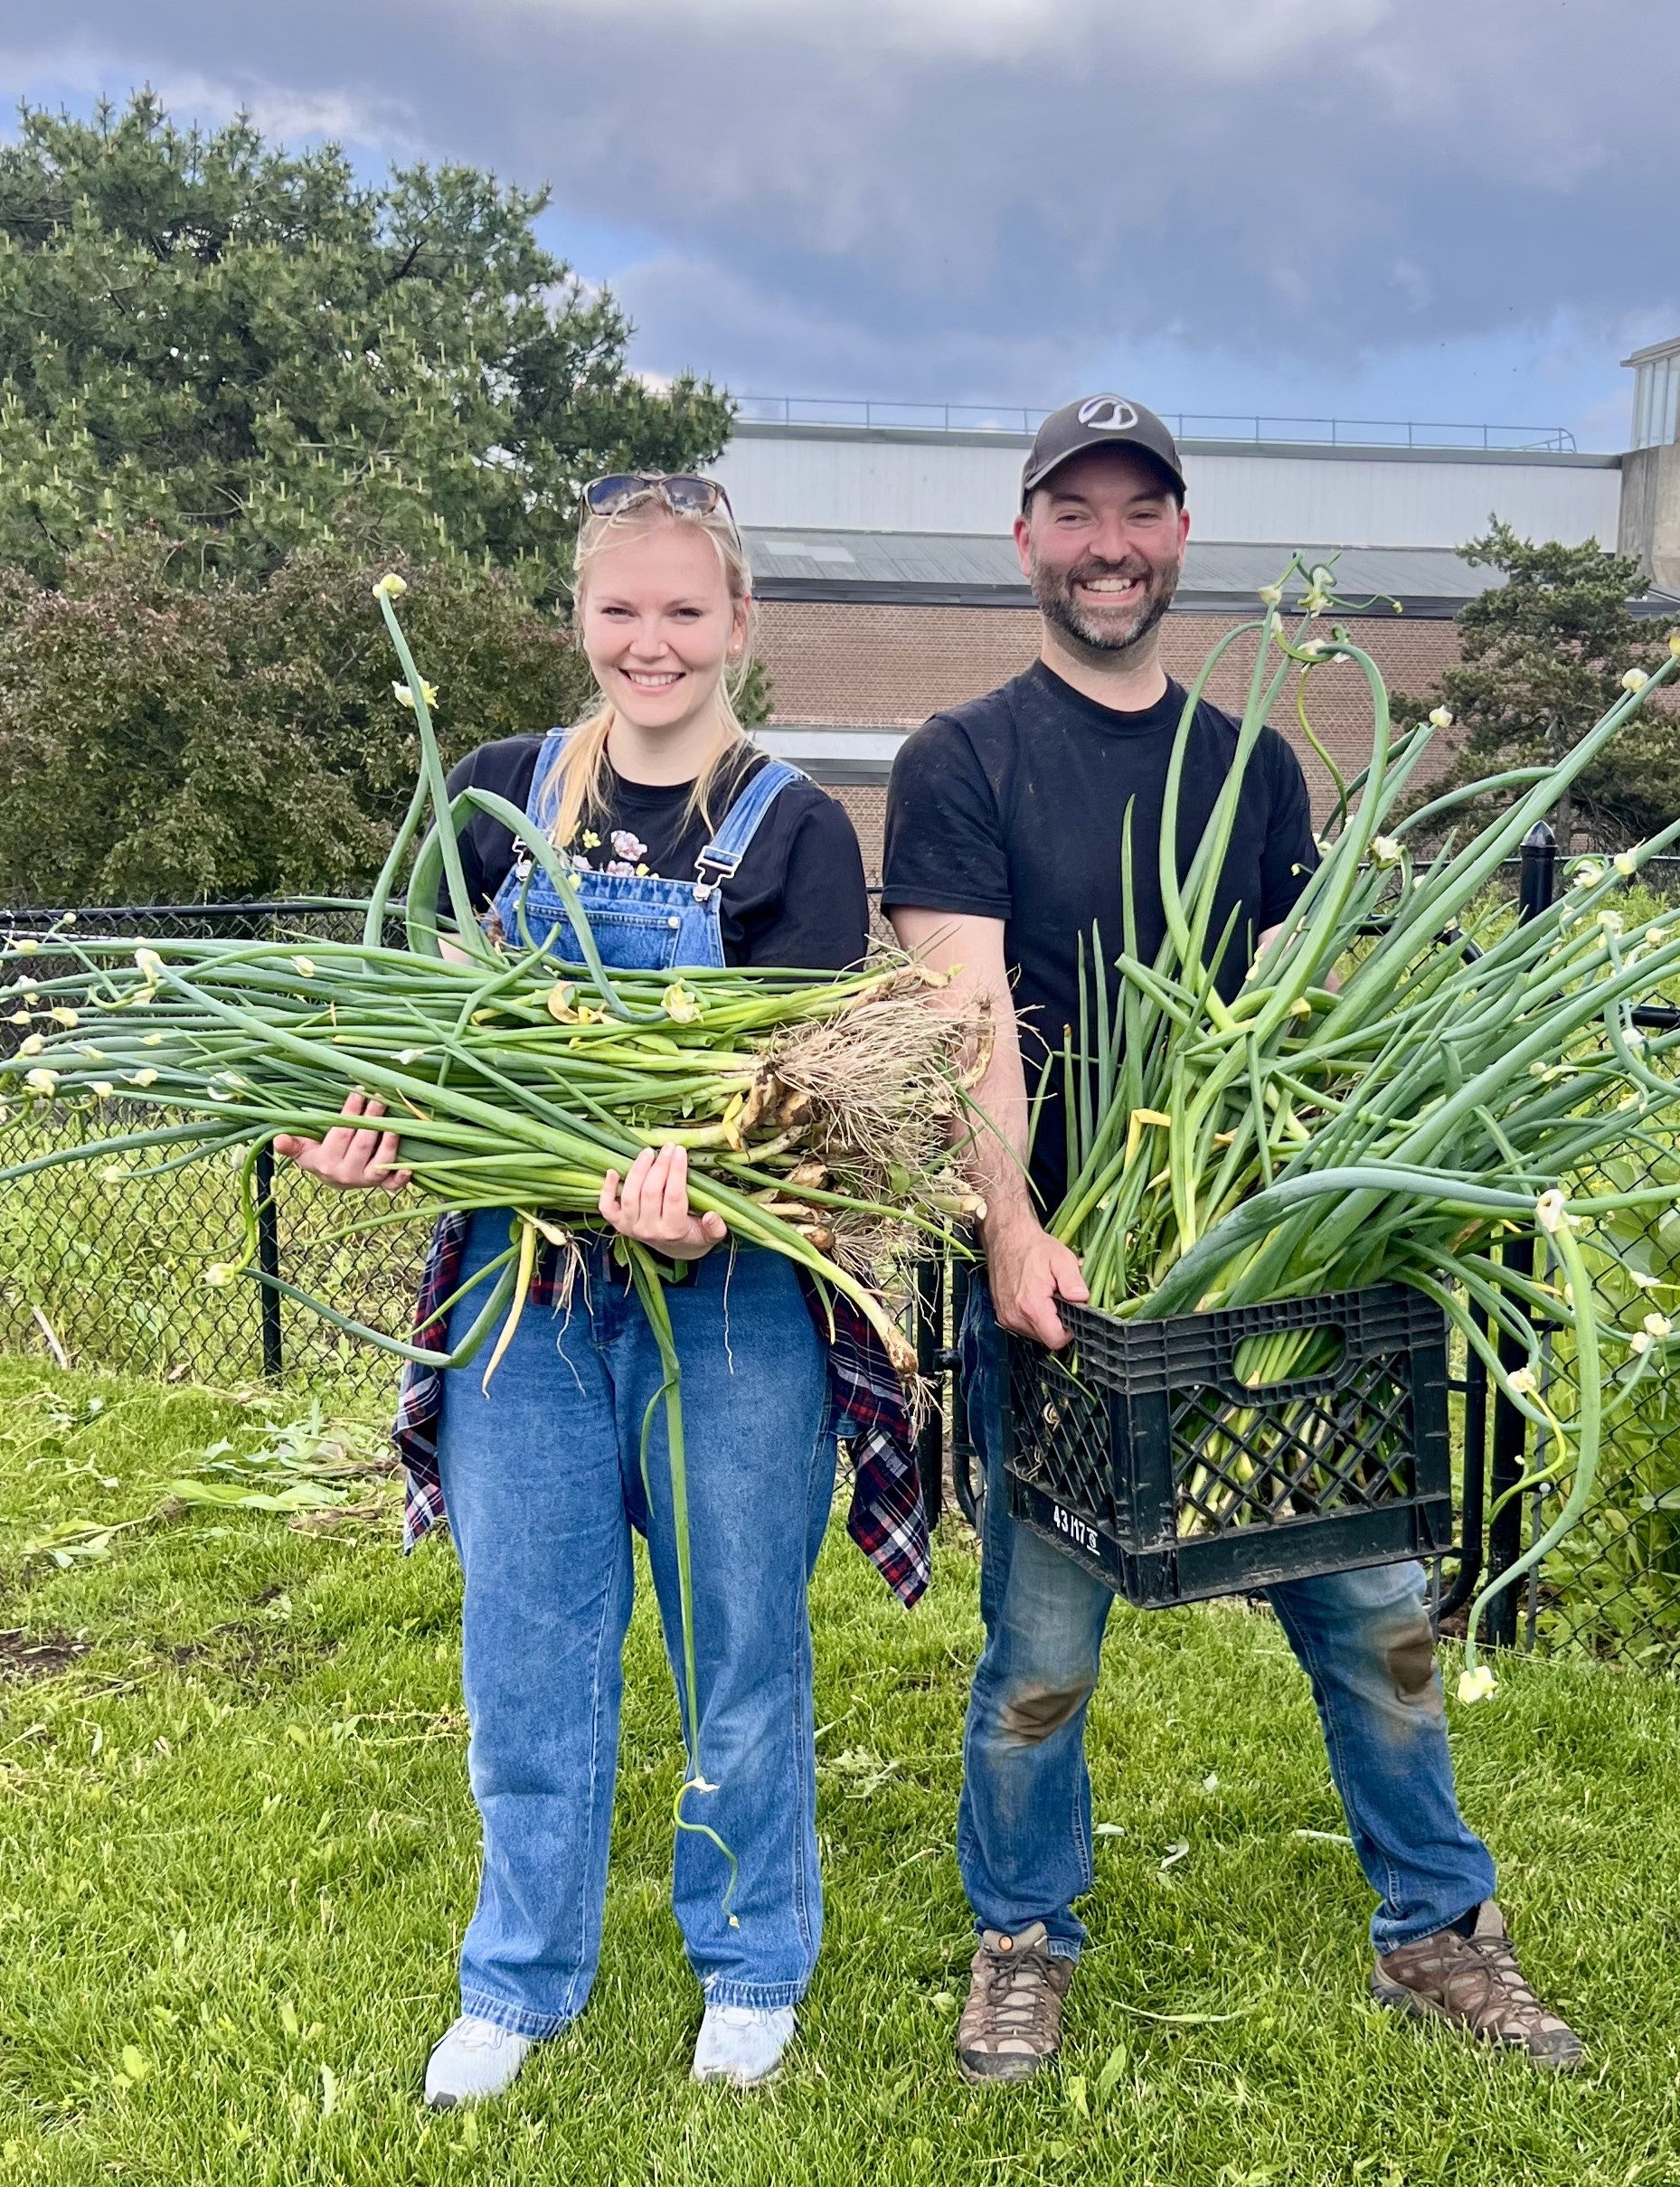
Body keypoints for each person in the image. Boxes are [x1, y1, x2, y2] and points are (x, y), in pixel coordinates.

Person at [881, 396, 1581, 2084]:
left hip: (1261, 1269)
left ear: (1181, 536)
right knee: (1041, 1644)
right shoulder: (961, 758)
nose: (1107, 544)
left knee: (1380, 1609)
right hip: (1073, 1273)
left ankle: (1433, 1930)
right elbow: (961, 1017)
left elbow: (1299, 1012)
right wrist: (1015, 1230)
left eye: (1140, 512)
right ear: (1026, 535)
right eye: (1074, 511)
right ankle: (1025, 1935)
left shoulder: (1255, 767)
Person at [278, 472, 926, 2103]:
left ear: (739, 627)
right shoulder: (495, 796)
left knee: (740, 1642)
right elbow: (430, 1048)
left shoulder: (790, 829)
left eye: (684, 611)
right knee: (529, 1645)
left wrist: (719, 1205)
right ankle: (518, 1975)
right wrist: (380, 1140)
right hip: (528, 1294)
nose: (653, 642)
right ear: (581, 618)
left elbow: (809, 1104)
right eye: (621, 610)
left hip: (727, 1302)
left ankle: (754, 1954)